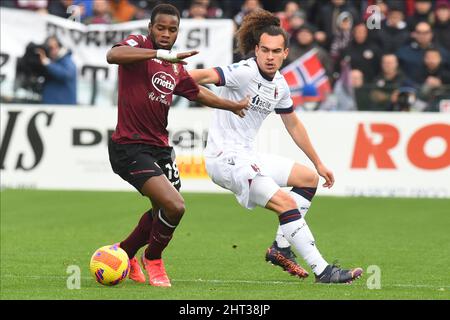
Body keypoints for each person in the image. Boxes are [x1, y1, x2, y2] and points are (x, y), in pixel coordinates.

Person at [189, 9, 363, 283]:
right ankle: (323, 271)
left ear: (285, 53)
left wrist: (319, 163)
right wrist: (177, 81)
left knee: (308, 179)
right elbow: (196, 77)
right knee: (285, 203)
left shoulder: (280, 84)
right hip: (225, 159)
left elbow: (293, 124)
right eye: (265, 50)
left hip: (247, 154)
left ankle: (280, 247)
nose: (270, 57)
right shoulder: (243, 72)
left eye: (276, 51)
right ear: (256, 50)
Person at [106, 3, 249, 287]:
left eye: (172, 30)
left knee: (163, 209)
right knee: (174, 206)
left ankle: (125, 253)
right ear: (150, 28)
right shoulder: (139, 44)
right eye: (161, 27)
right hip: (129, 146)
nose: (166, 33)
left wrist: (231, 105)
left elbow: (196, 92)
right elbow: (113, 55)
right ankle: (154, 259)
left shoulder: (173, 66)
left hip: (160, 148)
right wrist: (159, 54)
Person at [36, 36, 77, 105]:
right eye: (49, 48)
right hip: (51, 106)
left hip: (63, 107)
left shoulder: (66, 60)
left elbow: (67, 74)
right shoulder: (52, 62)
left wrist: (47, 63)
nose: (52, 50)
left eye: (53, 47)